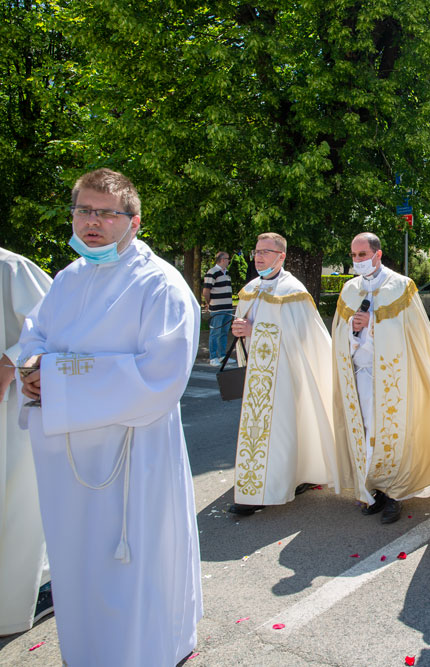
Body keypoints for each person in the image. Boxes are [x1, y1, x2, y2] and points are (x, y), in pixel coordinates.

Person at [17, 168, 201, 664]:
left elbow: (161, 377)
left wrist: (56, 379)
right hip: (68, 464)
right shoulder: (67, 279)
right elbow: (35, 336)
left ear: (134, 222)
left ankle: (148, 652)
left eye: (105, 213)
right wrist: (30, 366)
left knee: (133, 564)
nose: (91, 222)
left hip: (132, 458)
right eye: (83, 210)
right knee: (76, 562)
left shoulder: (160, 284)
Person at [228, 232, 346, 515]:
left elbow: (302, 337)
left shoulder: (292, 292)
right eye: (256, 251)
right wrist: (239, 332)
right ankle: (260, 485)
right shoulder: (250, 289)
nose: (258, 257)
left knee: (279, 433)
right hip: (258, 375)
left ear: (281, 256)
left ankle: (267, 490)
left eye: (266, 252)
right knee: (259, 434)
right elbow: (245, 327)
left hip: (284, 375)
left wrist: (254, 332)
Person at [332, 233, 430, 524]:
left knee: (394, 433)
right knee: (367, 432)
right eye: (354, 256)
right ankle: (373, 488)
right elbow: (338, 334)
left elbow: (412, 334)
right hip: (361, 375)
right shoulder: (349, 290)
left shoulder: (401, 287)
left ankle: (395, 493)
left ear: (377, 254)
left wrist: (374, 323)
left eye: (362, 255)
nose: (357, 261)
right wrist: (354, 332)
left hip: (395, 377)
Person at [0, 248, 52, 636]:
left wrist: (10, 362)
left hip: (9, 411)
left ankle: (15, 604)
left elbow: (51, 326)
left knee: (15, 505)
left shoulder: (11, 268)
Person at [202, 251, 234, 366]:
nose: (228, 260)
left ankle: (222, 356)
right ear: (222, 260)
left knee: (224, 333)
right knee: (215, 333)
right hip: (217, 308)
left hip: (227, 307)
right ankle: (213, 357)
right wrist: (208, 303)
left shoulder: (226, 273)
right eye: (227, 258)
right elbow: (206, 291)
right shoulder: (212, 272)